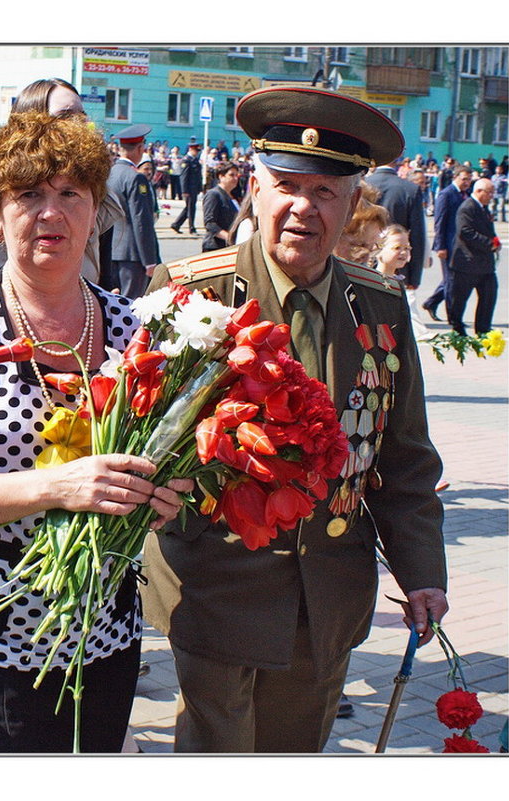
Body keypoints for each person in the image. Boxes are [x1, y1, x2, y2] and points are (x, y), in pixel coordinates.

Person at [143, 85, 448, 753]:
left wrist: (422, 569)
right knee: (217, 754)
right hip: (216, 580)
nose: (303, 207)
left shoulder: (381, 306)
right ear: (256, 187)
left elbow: (404, 455)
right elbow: (143, 441)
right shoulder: (195, 292)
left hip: (328, 592)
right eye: (286, 185)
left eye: (326, 193)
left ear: (351, 203)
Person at [0, 111, 189, 753]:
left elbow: (153, 468)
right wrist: (59, 486)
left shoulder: (131, 327)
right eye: (28, 194)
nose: (50, 213)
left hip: (97, 637)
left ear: (96, 212)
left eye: (69, 195)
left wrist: (158, 499)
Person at [0, 77, 123, 285]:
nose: (77, 127)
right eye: (65, 116)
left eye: (81, 118)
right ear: (29, 124)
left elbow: (105, 278)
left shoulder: (93, 190)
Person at [106, 122, 161, 298]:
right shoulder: (136, 177)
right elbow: (141, 221)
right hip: (132, 254)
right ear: (140, 148)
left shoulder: (109, 173)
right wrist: (150, 260)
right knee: (131, 306)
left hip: (110, 250)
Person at [446, 178, 501, 336]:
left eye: (493, 192)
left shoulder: (483, 208)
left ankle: (483, 329)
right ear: (478, 191)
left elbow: (488, 230)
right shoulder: (467, 207)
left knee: (488, 296)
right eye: (489, 192)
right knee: (460, 299)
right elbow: (465, 232)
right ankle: (458, 329)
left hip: (484, 265)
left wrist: (495, 241)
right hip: (467, 262)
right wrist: (488, 243)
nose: (492, 195)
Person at [366, 155, 428, 290]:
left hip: (361, 262)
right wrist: (414, 277)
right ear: (397, 161)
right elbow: (417, 235)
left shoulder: (363, 184)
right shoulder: (410, 189)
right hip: (398, 268)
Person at [424, 165, 474, 321]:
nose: (467, 183)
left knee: (454, 279)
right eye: (464, 179)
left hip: (462, 246)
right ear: (455, 177)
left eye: (469, 180)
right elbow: (440, 222)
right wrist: (440, 246)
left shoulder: (466, 195)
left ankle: (431, 302)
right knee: (452, 281)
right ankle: (452, 318)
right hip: (448, 245)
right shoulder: (447, 194)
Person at [376, 224, 432, 341]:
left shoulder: (398, 282)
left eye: (407, 248)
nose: (403, 252)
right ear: (379, 249)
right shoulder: (373, 282)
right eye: (397, 248)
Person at [201, 161, 242, 252]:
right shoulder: (214, 194)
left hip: (230, 246)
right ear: (221, 176)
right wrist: (229, 237)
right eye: (231, 175)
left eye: (236, 175)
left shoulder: (234, 196)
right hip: (215, 247)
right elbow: (210, 223)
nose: (235, 178)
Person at [170, 140, 203, 234]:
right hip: (189, 188)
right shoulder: (186, 160)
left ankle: (176, 224)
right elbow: (183, 176)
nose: (197, 152)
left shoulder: (195, 160)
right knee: (191, 208)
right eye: (196, 150)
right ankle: (191, 228)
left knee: (189, 207)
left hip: (194, 188)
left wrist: (200, 188)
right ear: (191, 149)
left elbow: (198, 176)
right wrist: (184, 190)